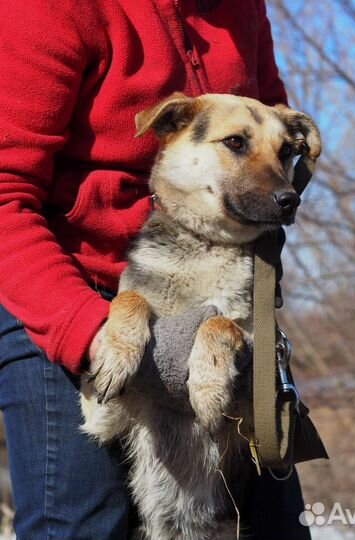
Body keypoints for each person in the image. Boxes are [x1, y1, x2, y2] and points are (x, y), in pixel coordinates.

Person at [0, 1, 311, 538]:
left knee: (273, 524)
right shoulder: (47, 9)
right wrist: (89, 330)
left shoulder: (243, 7)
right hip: (67, 285)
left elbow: (274, 126)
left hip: (222, 283)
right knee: (83, 522)